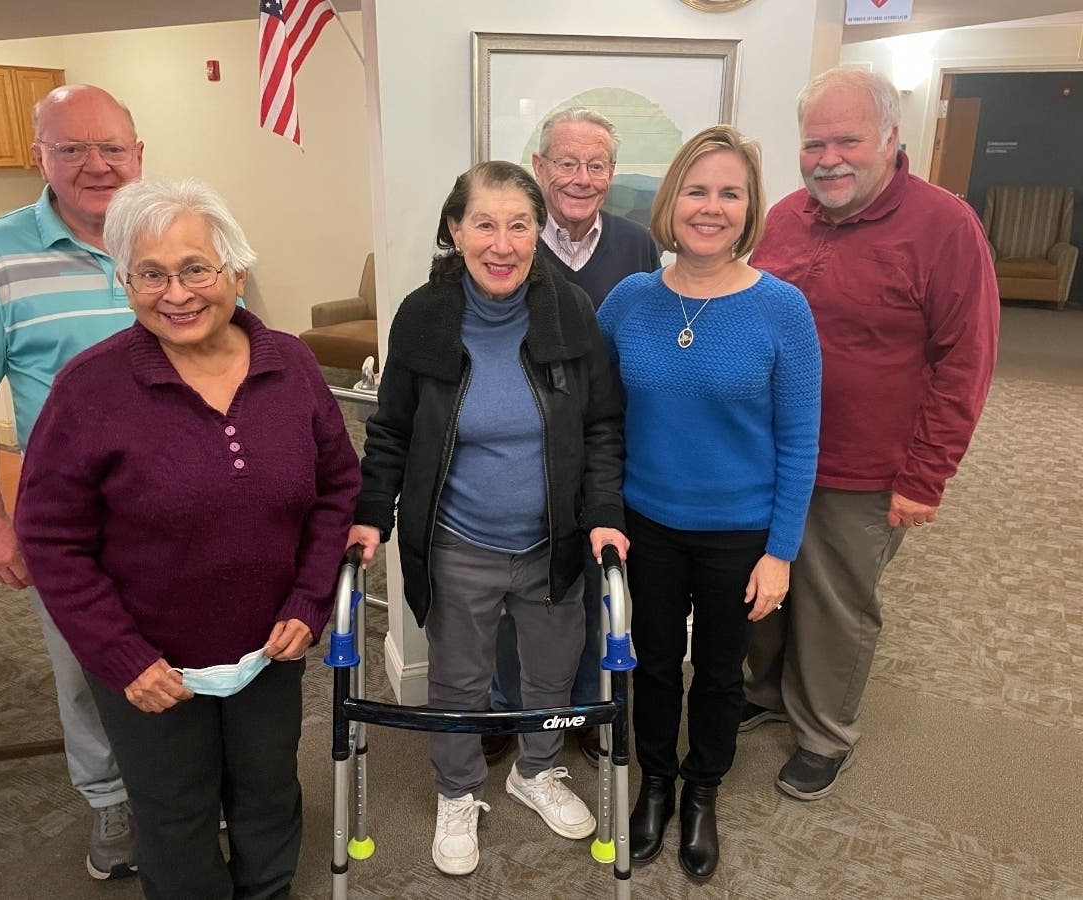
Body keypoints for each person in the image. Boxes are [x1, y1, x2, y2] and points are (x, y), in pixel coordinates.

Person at [13, 178, 361, 900]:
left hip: (271, 648)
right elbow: (49, 537)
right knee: (174, 814)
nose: (176, 294)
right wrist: (123, 657)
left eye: (196, 269)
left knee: (268, 792)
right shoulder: (89, 389)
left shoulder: (291, 365)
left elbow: (336, 488)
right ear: (126, 283)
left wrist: (309, 601)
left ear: (236, 272)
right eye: (150, 275)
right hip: (151, 664)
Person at [347, 160, 629, 877]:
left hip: (553, 538)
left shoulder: (570, 310)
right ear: (455, 229)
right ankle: (457, 789)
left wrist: (603, 512)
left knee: (551, 672)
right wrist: (372, 513)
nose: (502, 244)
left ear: (538, 232)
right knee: (459, 680)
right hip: (459, 541)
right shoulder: (425, 315)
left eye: (519, 225)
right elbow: (393, 429)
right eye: (484, 224)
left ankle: (535, 771)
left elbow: (600, 425)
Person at [742, 66, 1000, 801]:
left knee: (834, 603)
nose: (829, 160)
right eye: (814, 144)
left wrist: (926, 477)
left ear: (890, 138)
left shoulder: (945, 225)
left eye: (848, 141)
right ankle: (764, 693)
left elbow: (967, 361)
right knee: (760, 587)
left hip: (864, 468)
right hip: (766, 456)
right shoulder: (782, 217)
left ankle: (824, 732)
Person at [0, 83, 144, 880]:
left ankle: (191, 790)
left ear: (139, 155)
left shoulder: (173, 231)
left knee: (196, 652)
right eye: (71, 148)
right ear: (38, 157)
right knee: (87, 666)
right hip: (71, 518)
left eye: (111, 147)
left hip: (189, 507)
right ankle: (111, 799)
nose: (96, 165)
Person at [596, 124, 821, 881]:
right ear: (672, 201)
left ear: (749, 209)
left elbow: (800, 441)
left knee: (722, 672)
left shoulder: (783, 309)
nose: (711, 207)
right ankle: (657, 783)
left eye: (730, 193)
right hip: (647, 525)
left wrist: (781, 552)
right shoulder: (629, 301)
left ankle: (702, 791)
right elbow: (597, 414)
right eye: (697, 190)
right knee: (654, 663)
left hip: (741, 533)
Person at [487, 107, 661, 767]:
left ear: (612, 173)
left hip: (599, 449)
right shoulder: (508, 242)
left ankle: (590, 704)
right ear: (539, 167)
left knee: (596, 586)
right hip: (517, 451)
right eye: (567, 162)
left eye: (597, 164)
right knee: (508, 593)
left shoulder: (638, 247)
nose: (582, 178)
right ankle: (503, 705)